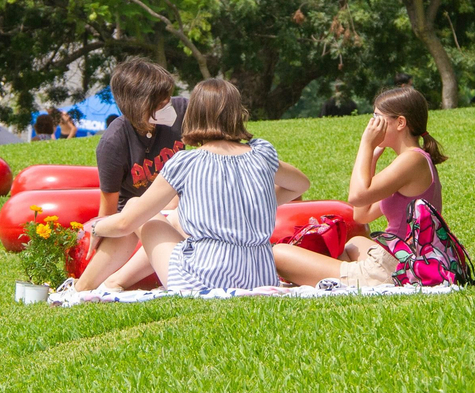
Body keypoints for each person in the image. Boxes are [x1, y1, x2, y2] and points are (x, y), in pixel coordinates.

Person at [87, 79, 309, 293]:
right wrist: (254, 203)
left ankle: (84, 287)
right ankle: (114, 281)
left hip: (203, 278)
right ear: (238, 114)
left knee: (138, 206)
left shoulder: (185, 163)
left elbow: (128, 222)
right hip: (259, 275)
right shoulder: (262, 153)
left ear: (193, 116)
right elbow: (300, 185)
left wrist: (95, 227)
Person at [273, 86, 447, 288]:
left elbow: (356, 196)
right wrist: (372, 160)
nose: (372, 124)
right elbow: (361, 215)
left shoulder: (412, 160)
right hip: (400, 259)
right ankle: (339, 274)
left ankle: (345, 277)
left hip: (395, 267)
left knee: (278, 253)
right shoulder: (414, 160)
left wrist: (366, 145)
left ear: (400, 122)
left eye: (377, 117)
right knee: (353, 243)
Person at [73, 58, 187, 291]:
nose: (168, 104)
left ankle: (105, 284)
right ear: (138, 105)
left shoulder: (182, 111)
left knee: (177, 203)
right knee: (138, 209)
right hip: (136, 217)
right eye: (160, 102)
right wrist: (98, 235)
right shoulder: (114, 143)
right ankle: (86, 287)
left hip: (178, 207)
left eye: (168, 97)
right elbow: (108, 210)